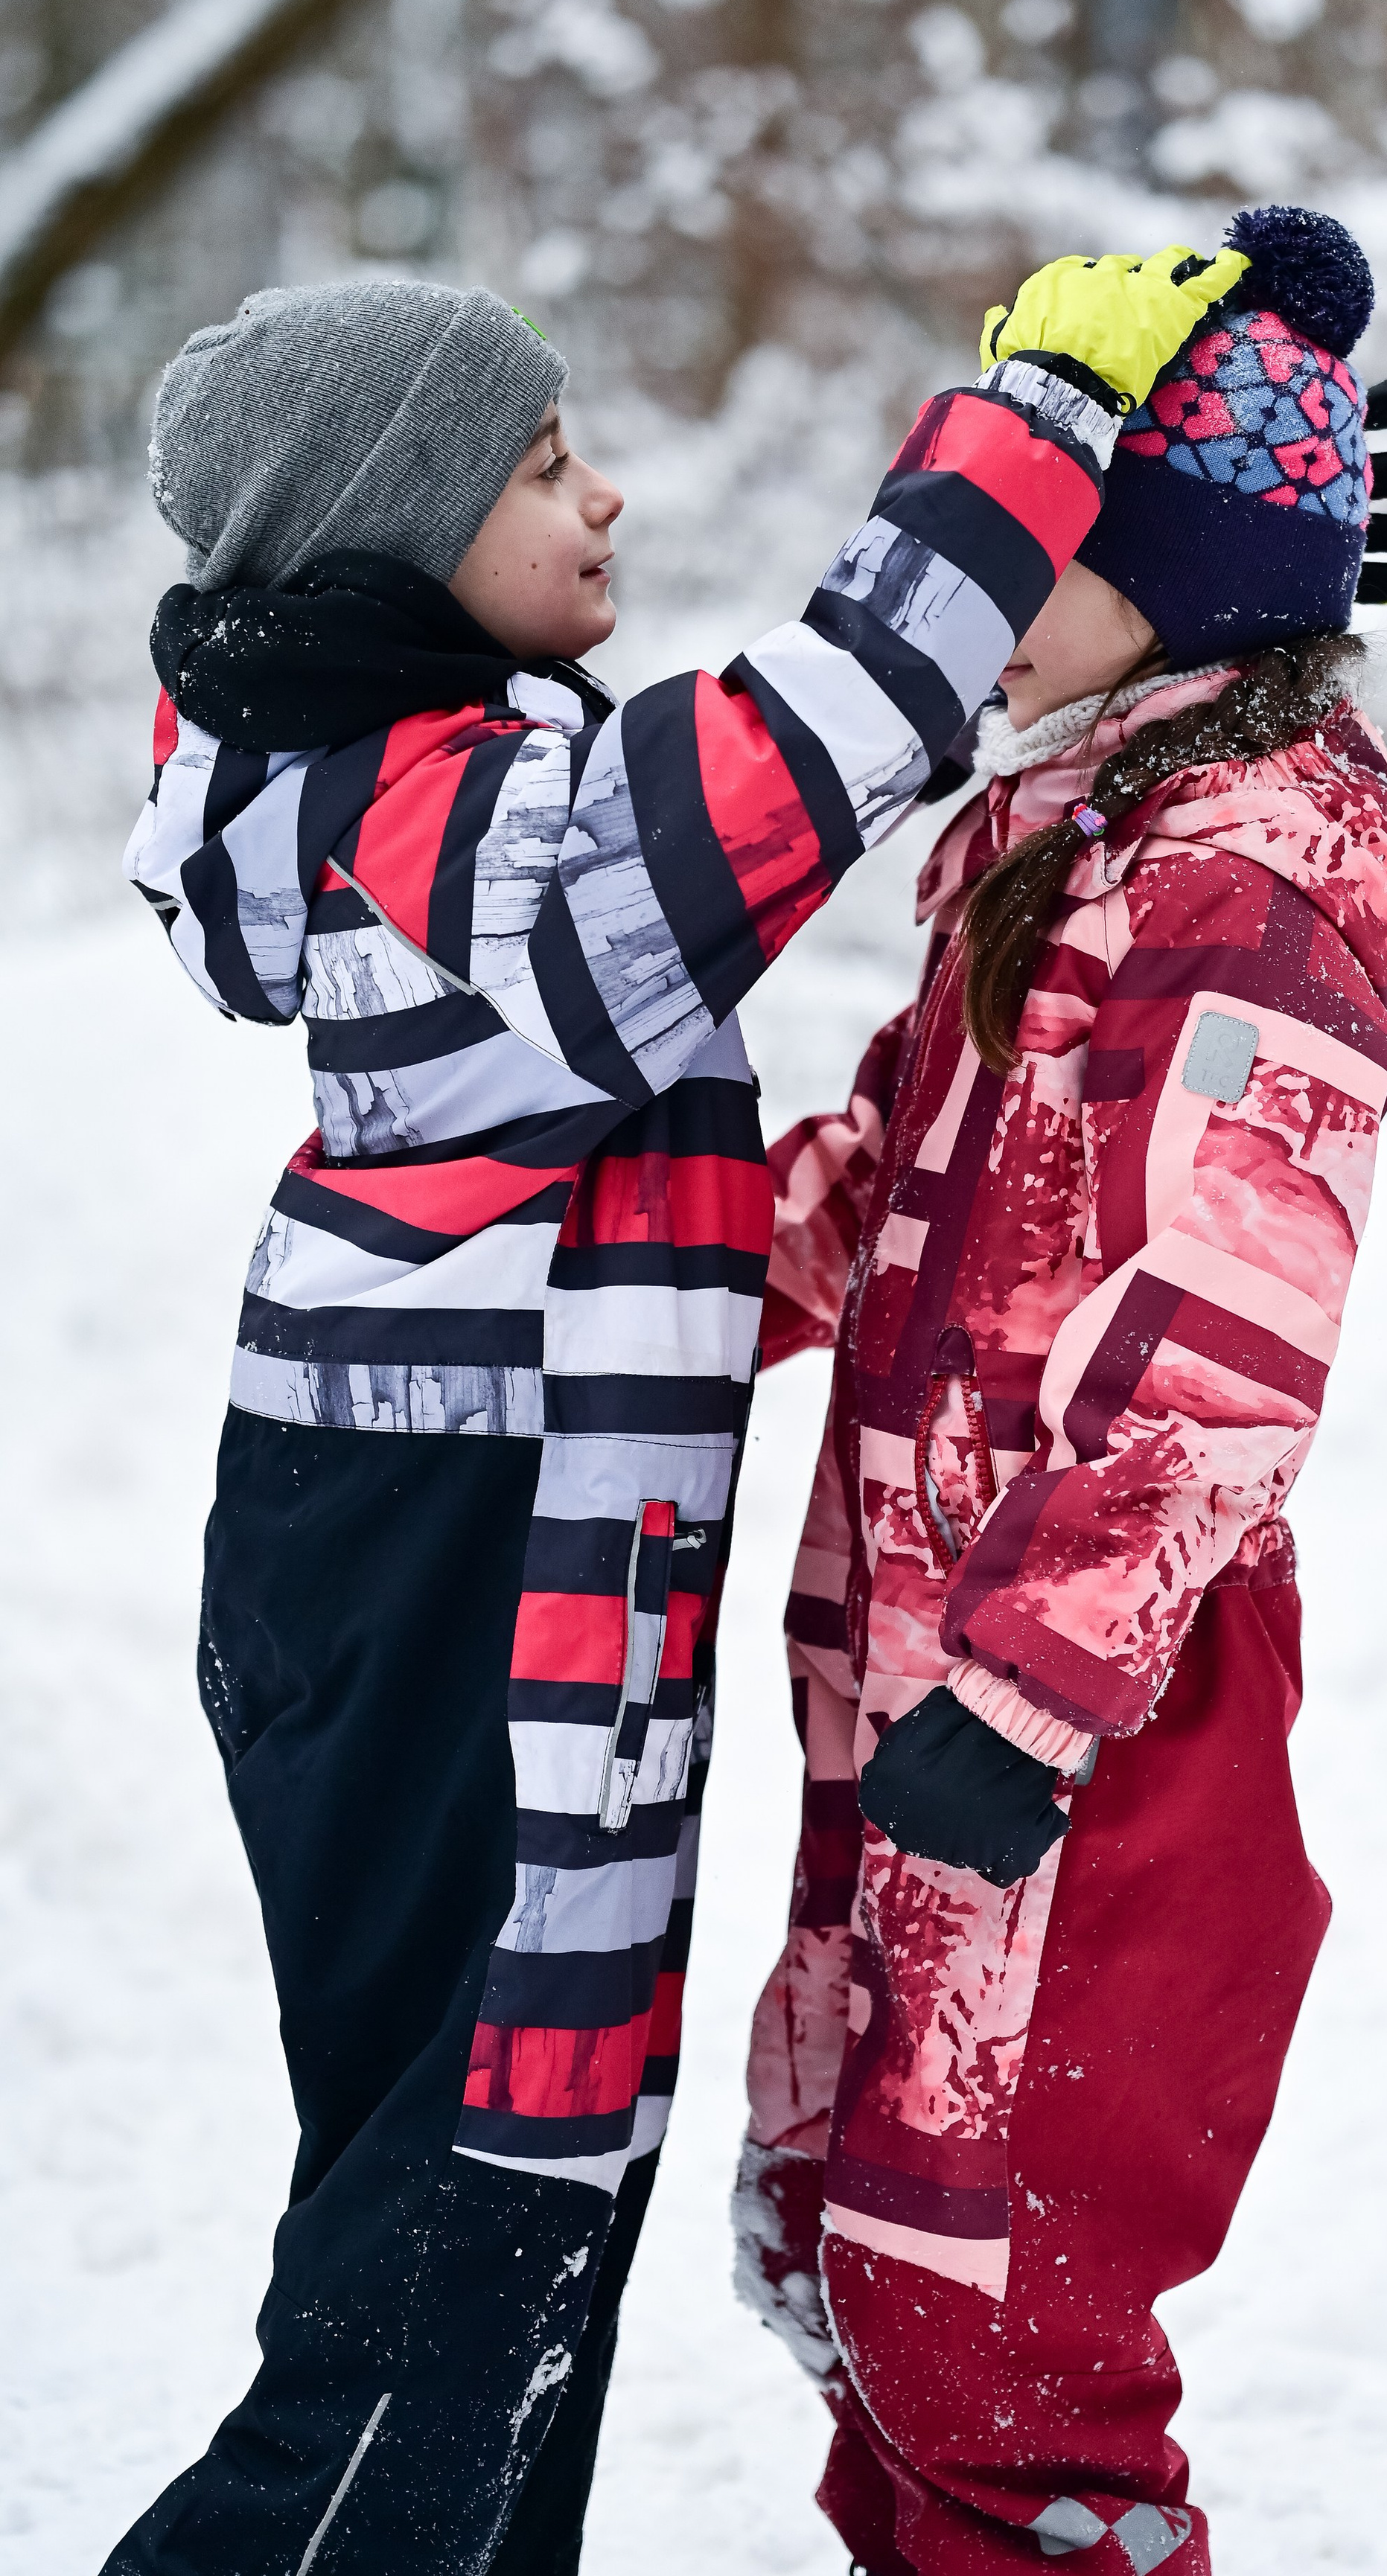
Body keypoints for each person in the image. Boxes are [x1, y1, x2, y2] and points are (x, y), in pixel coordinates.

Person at [110, 253, 1249, 2574]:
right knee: (469, 2222)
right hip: (468, 1559)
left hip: (439, 1536)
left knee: (516, 2194)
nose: (610, 495)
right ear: (388, 538)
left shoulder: (381, 791)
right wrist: (1026, 433)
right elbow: (766, 779)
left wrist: (1226, 605)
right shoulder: (420, 818)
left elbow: (668, 1175)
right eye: (543, 470)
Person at [736, 208, 1387, 2575]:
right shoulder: (1063, 821)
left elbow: (1230, 1322)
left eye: (1039, 537)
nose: (977, 588)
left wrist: (1036, 1695)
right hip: (951, 1663)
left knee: (1004, 2322)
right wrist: (654, 1271)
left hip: (1094, 1720)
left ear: (1177, 566)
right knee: (887, 2258)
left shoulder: (1258, 868)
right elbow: (891, 1168)